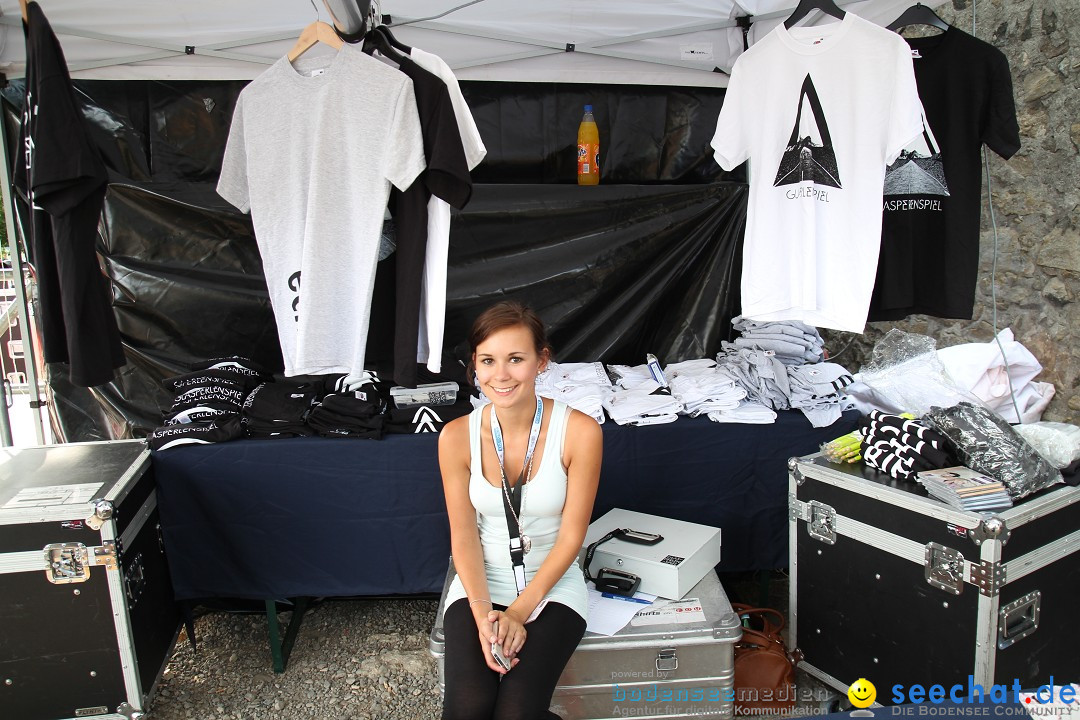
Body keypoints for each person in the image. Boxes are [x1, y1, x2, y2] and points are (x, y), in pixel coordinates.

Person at [438, 301, 603, 720]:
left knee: (516, 711)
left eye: (516, 359)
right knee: (469, 707)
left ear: (541, 361)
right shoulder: (456, 436)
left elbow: (571, 538)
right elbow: (463, 535)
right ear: (474, 364)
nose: (501, 375)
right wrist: (482, 614)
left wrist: (517, 613)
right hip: (480, 581)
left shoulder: (581, 431)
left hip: (552, 585)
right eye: (488, 361)